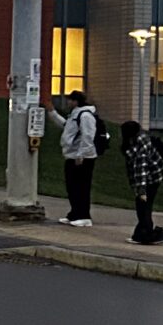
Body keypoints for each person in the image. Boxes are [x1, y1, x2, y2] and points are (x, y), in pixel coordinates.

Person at [53, 89, 102, 227]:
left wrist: (81, 155)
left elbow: (88, 136)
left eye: (70, 100)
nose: (68, 102)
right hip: (72, 155)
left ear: (75, 101)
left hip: (83, 157)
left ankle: (84, 215)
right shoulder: (75, 115)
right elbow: (67, 128)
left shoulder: (85, 115)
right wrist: (53, 114)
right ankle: (74, 213)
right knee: (72, 186)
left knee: (81, 187)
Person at [120, 118, 163, 245]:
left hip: (151, 178)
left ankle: (146, 234)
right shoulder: (141, 139)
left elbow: (141, 170)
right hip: (155, 175)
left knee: (143, 207)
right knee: (144, 207)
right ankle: (141, 233)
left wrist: (142, 191)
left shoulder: (140, 146)